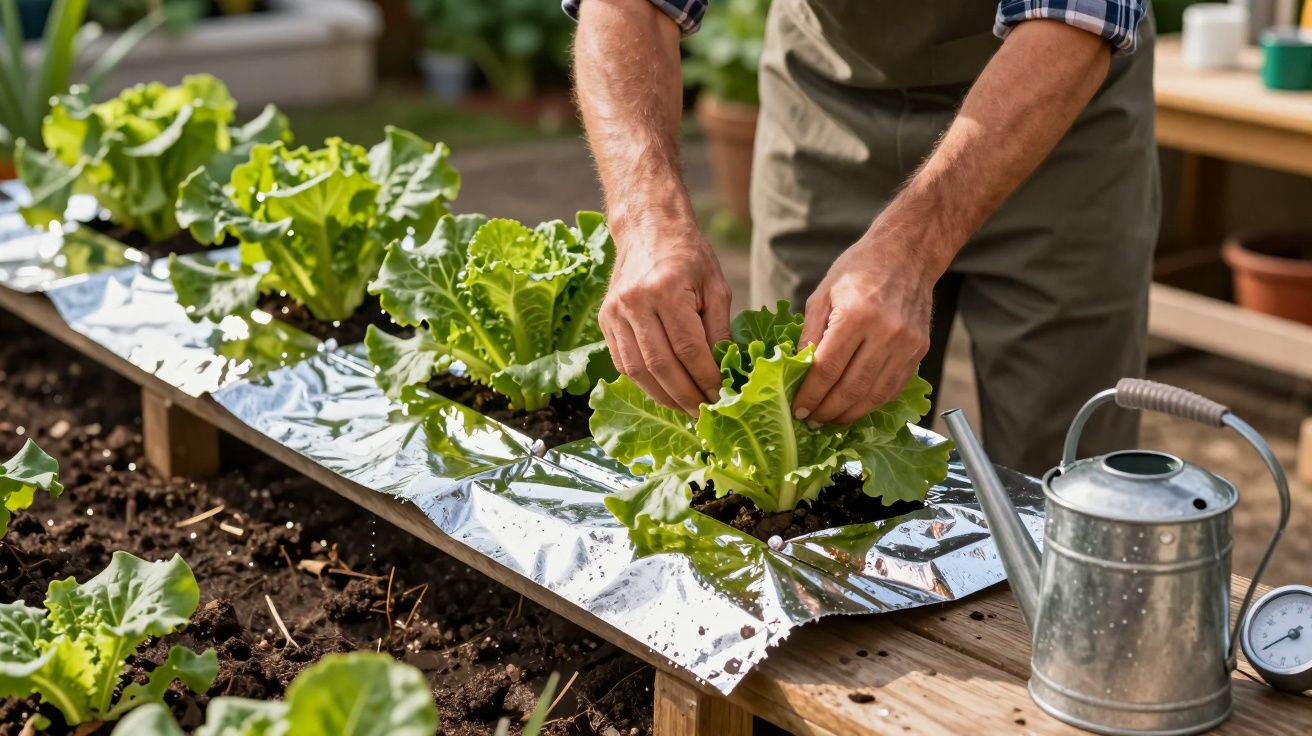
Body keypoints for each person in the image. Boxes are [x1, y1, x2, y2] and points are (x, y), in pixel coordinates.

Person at [566, 0, 1158, 476]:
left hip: (1055, 116)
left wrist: (913, 247)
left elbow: (1073, 19)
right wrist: (645, 218)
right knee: (811, 437)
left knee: (1065, 475)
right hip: (828, 103)